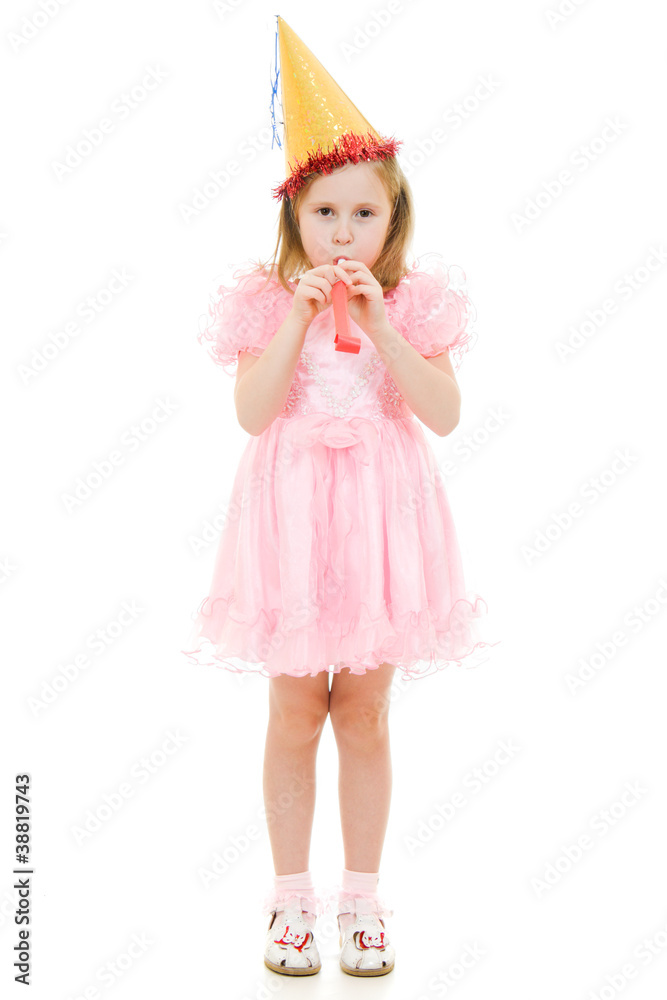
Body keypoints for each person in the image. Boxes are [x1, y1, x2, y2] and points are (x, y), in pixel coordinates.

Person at [181, 15, 499, 978]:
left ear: (392, 222)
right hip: (288, 520)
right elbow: (253, 411)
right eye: (325, 214)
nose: (344, 229)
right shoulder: (262, 303)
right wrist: (299, 316)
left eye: (364, 214)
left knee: (362, 710)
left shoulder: (416, 304)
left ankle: (362, 898)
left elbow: (440, 413)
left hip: (381, 526)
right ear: (295, 222)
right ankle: (288, 902)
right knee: (292, 711)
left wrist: (378, 324)